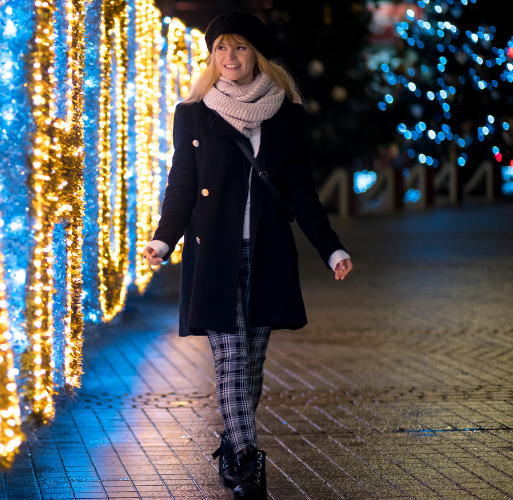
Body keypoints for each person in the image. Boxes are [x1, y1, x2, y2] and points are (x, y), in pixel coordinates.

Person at [141, 11, 353, 500]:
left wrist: (331, 248)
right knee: (233, 357)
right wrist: (163, 238)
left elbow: (301, 193)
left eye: (239, 48)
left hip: (266, 255)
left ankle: (233, 445)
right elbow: (182, 185)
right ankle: (247, 464)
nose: (229, 57)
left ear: (257, 56)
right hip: (212, 254)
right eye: (220, 48)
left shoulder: (286, 115)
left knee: (250, 365)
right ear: (211, 56)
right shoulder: (194, 113)